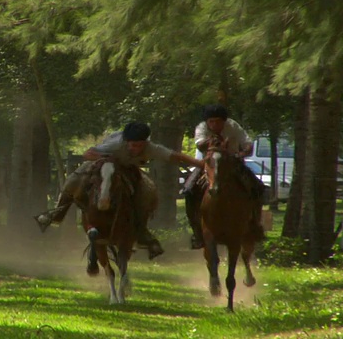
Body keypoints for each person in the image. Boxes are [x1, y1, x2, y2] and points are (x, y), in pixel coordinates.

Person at [35, 122, 204, 260]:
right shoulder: (114, 144)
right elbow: (88, 154)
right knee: (74, 180)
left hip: (129, 169)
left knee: (148, 191)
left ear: (145, 143)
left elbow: (176, 156)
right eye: (133, 145)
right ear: (126, 141)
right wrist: (108, 158)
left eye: (139, 145)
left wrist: (202, 165)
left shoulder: (151, 148)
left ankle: (142, 232)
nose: (136, 149)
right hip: (104, 164)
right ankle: (56, 213)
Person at [180, 104, 266, 249]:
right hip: (206, 164)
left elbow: (248, 143)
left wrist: (242, 153)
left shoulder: (233, 126)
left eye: (218, 121)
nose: (214, 125)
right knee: (188, 190)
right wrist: (213, 142)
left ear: (224, 121)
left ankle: (255, 224)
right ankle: (196, 230)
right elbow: (201, 145)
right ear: (207, 122)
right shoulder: (201, 128)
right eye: (211, 121)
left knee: (257, 187)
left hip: (232, 163)